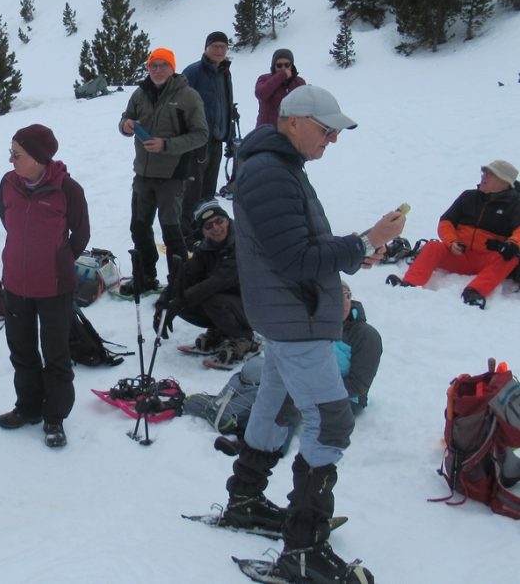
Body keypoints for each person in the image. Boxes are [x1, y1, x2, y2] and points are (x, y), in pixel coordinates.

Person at [220, 85, 404, 583]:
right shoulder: (269, 172)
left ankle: (245, 499)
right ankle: (304, 549)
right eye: (327, 130)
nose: (332, 140)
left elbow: (300, 246)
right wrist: (366, 240)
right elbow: (295, 259)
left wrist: (354, 251)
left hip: (290, 315)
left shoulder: (279, 168)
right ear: (294, 121)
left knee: (277, 406)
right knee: (330, 422)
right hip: (294, 318)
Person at [187, 280, 383, 454]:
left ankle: (261, 446)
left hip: (344, 398)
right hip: (305, 382)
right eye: (334, 297)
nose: (342, 303)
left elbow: (358, 385)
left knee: (287, 399)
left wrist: (308, 389)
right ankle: (225, 408)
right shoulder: (317, 325)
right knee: (260, 375)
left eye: (346, 296)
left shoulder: (365, 335)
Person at [0, 125, 90, 449]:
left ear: (38, 157)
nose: (11, 160)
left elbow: (81, 234)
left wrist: (59, 259)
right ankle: (29, 408)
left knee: (56, 355)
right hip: (16, 285)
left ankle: (55, 417)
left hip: (54, 288)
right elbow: (6, 221)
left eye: (17, 154)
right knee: (21, 351)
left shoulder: (68, 190)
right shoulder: (8, 184)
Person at [118, 47, 208, 296]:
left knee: (171, 230)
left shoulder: (188, 96)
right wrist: (126, 126)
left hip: (172, 175)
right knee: (139, 227)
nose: (157, 70)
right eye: (153, 65)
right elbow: (125, 119)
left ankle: (179, 282)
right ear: (148, 68)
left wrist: (166, 145)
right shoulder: (140, 94)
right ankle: (146, 277)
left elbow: (201, 135)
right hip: (143, 174)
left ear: (172, 68)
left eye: (163, 65)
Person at [387, 160, 520, 309]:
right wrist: (452, 242)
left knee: (510, 258)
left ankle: (475, 292)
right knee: (433, 247)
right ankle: (410, 283)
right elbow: (446, 222)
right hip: (459, 255)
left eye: (490, 174)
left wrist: (512, 244)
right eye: (484, 172)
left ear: (504, 182)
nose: (484, 176)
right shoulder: (468, 197)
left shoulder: (515, 204)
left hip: (487, 260)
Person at [154, 199, 258, 367]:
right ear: (203, 231)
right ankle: (221, 332)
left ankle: (244, 338)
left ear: (227, 220)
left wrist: (180, 301)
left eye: (219, 221)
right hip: (233, 302)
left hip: (257, 308)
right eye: (209, 226)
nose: (216, 228)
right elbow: (185, 276)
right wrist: (163, 304)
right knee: (181, 301)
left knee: (208, 299)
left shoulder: (242, 242)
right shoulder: (206, 247)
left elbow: (216, 283)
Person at [180, 31, 235, 247]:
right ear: (206, 48)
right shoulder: (194, 72)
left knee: (209, 191)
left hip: (217, 139)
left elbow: (225, 104)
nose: (219, 51)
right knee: (192, 191)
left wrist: (228, 135)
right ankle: (186, 235)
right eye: (215, 46)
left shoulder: (224, 72)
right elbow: (179, 101)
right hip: (196, 141)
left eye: (223, 47)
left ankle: (204, 232)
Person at [254, 49, 306, 127]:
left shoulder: (299, 82)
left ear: (292, 65)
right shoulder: (264, 79)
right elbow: (261, 94)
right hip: (266, 131)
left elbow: (304, 108)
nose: (283, 68)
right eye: (279, 65)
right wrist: (281, 75)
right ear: (274, 66)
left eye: (287, 64)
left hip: (290, 132)